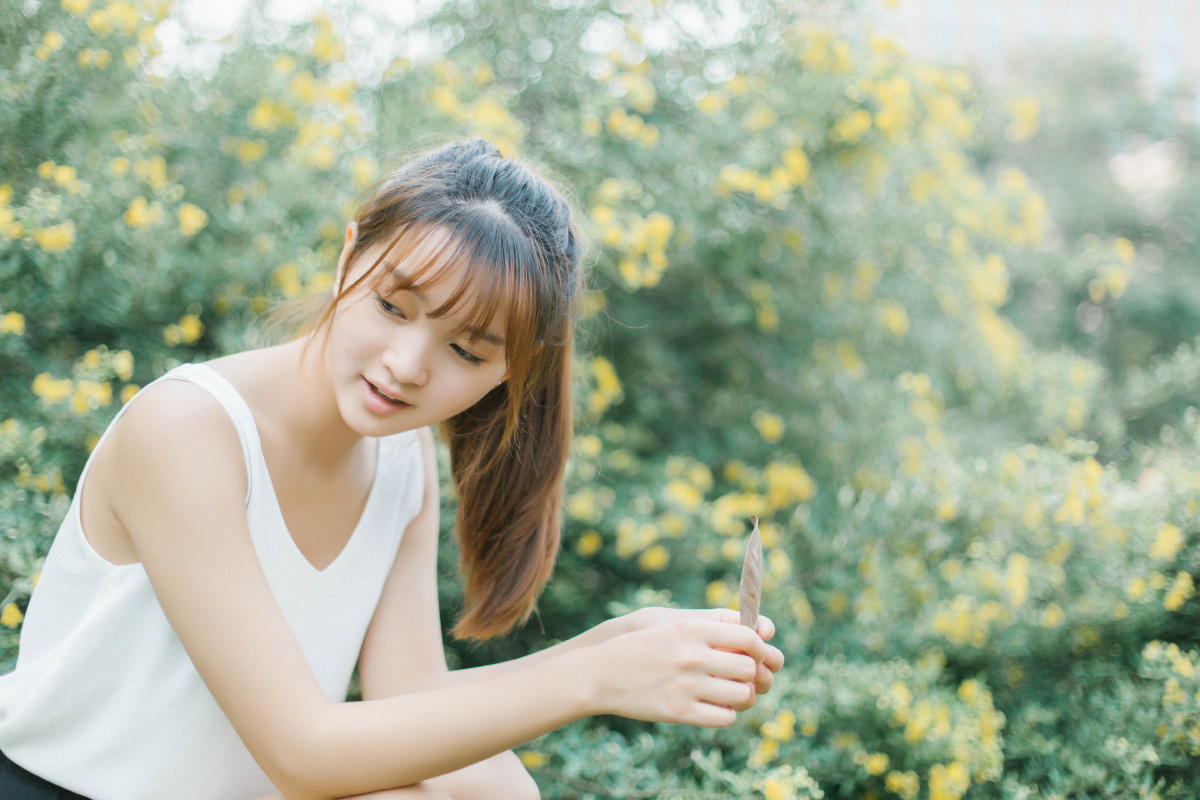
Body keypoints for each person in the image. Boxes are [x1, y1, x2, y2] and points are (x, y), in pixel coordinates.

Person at [0, 138, 784, 800]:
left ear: (511, 371)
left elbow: (409, 698)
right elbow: (302, 751)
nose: (407, 366)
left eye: (466, 351)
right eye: (392, 306)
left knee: (491, 789)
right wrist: (597, 680)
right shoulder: (188, 430)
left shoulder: (400, 458)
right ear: (349, 257)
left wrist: (613, 644)